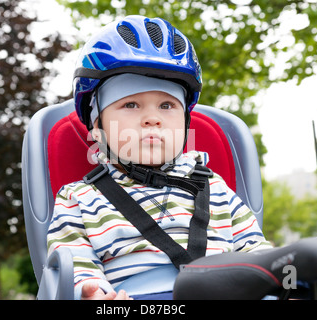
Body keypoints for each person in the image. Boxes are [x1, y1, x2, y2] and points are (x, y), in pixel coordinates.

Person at [47, 15, 272, 300]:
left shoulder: (215, 188)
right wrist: (92, 293)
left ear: (186, 123)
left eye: (167, 105)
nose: (152, 118)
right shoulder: (77, 200)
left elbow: (256, 252)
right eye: (130, 104)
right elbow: (73, 266)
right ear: (98, 127)